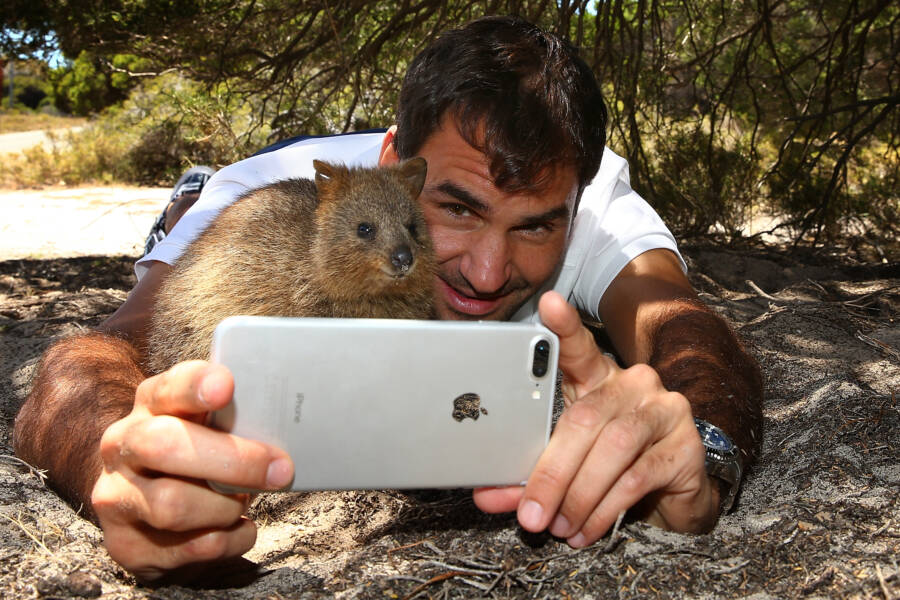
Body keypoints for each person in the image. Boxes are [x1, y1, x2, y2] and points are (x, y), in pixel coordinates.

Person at [13, 16, 762, 582]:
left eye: (534, 226)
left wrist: (705, 454)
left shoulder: (589, 205)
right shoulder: (276, 202)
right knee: (193, 217)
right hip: (260, 194)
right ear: (394, 162)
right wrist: (114, 459)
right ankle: (185, 197)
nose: (488, 271)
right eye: (459, 209)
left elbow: (686, 329)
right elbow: (94, 355)